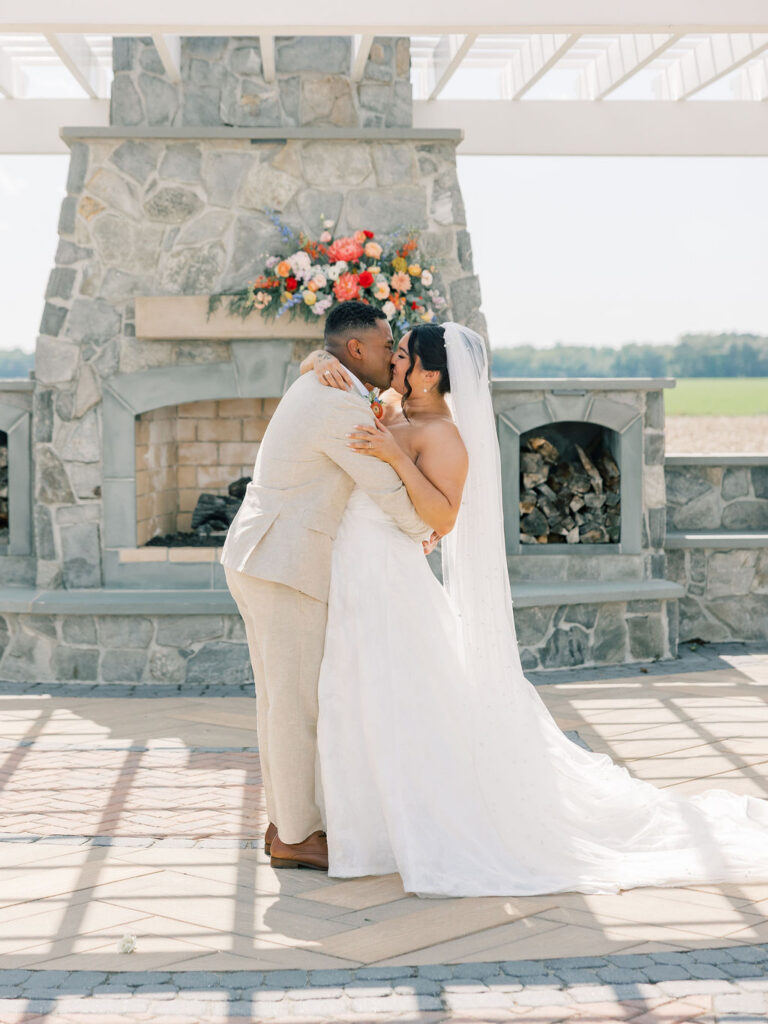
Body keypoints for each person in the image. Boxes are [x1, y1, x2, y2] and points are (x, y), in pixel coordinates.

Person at [303, 320, 768, 897]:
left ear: (429, 374)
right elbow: (330, 384)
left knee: (395, 696)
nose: (392, 362)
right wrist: (317, 362)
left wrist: (395, 456)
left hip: (390, 579)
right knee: (357, 690)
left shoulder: (444, 436)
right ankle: (363, 826)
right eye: (394, 353)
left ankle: (407, 828)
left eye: (401, 356)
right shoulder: (396, 407)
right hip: (360, 568)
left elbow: (443, 518)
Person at [221, 301, 429, 872]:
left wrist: (316, 358)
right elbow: (386, 487)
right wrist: (427, 527)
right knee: (295, 706)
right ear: (355, 350)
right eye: (385, 346)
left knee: (277, 701)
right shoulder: (337, 403)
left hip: (260, 554)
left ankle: (282, 820)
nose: (391, 356)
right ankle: (296, 835)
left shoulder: (321, 383)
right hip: (283, 563)